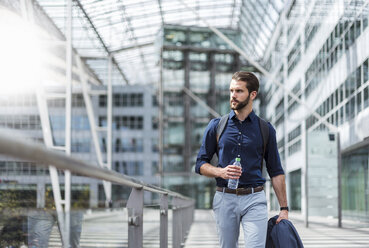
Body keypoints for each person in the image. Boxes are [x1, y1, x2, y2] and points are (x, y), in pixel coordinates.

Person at [195, 71, 288, 248]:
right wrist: (220, 171)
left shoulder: (266, 129)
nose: (233, 96)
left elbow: (275, 171)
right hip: (225, 198)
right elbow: (200, 164)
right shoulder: (216, 126)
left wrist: (284, 209)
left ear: (252, 94)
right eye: (231, 91)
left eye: (239, 91)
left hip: (255, 198)